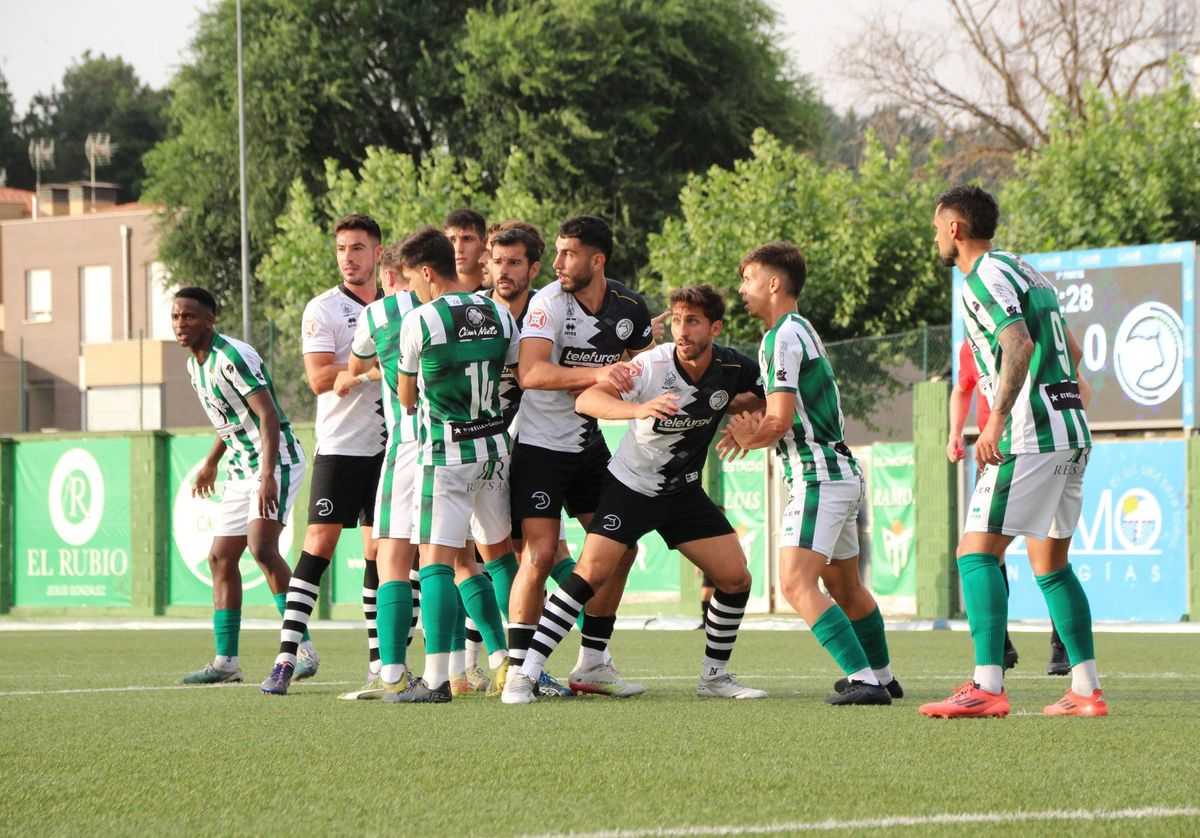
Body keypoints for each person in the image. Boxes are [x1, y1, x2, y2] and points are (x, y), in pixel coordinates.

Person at [502, 285, 768, 703]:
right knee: (589, 573)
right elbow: (588, 399)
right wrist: (637, 409)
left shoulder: (733, 366)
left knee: (736, 577)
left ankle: (714, 677)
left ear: (715, 328)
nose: (681, 329)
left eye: (693, 321)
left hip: (683, 492)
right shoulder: (650, 365)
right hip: (631, 487)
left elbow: (772, 395)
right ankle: (525, 673)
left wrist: (752, 418)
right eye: (677, 319)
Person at [921, 184, 1105, 718]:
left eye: (937, 227)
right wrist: (1069, 394)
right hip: (1069, 430)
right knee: (1051, 565)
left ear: (955, 228)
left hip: (1032, 433)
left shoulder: (984, 276)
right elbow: (1067, 350)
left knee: (975, 554)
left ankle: (986, 685)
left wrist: (995, 419)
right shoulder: (1028, 271)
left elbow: (1018, 343)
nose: (936, 236)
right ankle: (1086, 689)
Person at [722, 242, 899, 706]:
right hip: (836, 471)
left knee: (796, 583)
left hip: (819, 474)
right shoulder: (796, 331)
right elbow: (777, 408)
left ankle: (865, 679)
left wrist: (749, 437)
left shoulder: (781, 335)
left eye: (749, 278)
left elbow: (779, 420)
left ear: (774, 283)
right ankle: (882, 675)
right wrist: (746, 419)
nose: (742, 288)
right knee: (844, 584)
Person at [506, 215, 659, 697]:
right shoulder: (546, 304)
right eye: (556, 252)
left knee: (622, 549)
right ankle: (516, 669)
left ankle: (592, 661)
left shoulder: (630, 308)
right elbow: (531, 373)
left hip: (589, 447)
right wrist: (598, 375)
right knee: (540, 554)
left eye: (568, 253)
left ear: (597, 260)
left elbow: (650, 368)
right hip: (537, 447)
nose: (557, 263)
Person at [261, 214, 387, 695]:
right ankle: (287, 656)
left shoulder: (398, 308)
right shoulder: (324, 309)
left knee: (380, 554)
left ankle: (380, 663)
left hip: (389, 449)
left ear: (378, 254)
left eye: (357, 248)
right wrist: (376, 367)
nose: (348, 257)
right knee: (318, 547)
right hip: (340, 447)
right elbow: (319, 380)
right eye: (341, 249)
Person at [393, 226, 516, 703]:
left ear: (427, 273)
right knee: (498, 557)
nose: (409, 289)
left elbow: (405, 398)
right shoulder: (499, 313)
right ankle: (516, 663)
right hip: (493, 450)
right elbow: (511, 372)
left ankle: (437, 679)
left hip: (445, 454)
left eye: (410, 280)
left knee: (436, 563)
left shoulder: (420, 321)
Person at [172, 287, 307, 684]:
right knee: (220, 558)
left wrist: (267, 475)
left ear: (209, 320)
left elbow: (267, 415)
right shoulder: (194, 366)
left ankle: (303, 649)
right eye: (177, 317)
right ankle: (226, 663)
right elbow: (229, 419)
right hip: (241, 467)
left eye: (190, 317)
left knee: (262, 549)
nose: (181, 324)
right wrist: (212, 461)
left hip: (276, 459)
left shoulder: (231, 357)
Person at [329, 242, 422, 700]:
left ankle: (391, 672)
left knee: (391, 558)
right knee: (473, 561)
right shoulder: (467, 305)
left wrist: (356, 375)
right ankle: (498, 667)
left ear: (389, 276)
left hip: (408, 445)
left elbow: (364, 363)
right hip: (476, 443)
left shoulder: (381, 312)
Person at [950, 340, 1071, 675]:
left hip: (1029, 445)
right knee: (985, 553)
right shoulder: (971, 345)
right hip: (995, 453)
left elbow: (1077, 377)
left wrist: (1063, 431)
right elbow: (961, 390)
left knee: (1044, 556)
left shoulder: (1024, 337)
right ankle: (1000, 644)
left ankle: (1060, 647)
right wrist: (954, 433)